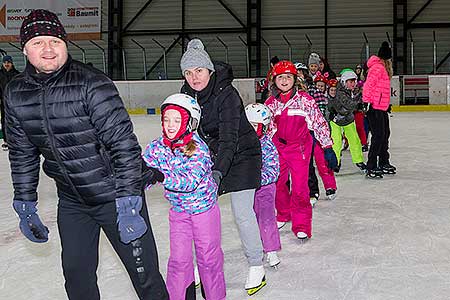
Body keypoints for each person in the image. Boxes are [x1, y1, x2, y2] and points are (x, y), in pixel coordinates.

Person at [5, 9, 168, 300]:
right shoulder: (16, 92)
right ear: (24, 49)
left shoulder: (91, 83)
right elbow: (22, 152)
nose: (48, 49)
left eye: (54, 41)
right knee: (77, 280)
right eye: (38, 42)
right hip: (72, 202)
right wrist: (25, 201)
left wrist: (129, 200)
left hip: (117, 197)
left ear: (65, 44)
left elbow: (123, 146)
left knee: (146, 280)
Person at [179, 39, 265, 296]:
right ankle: (200, 264)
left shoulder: (227, 93)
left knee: (241, 212)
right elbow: (186, 134)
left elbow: (230, 137)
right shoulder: (186, 94)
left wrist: (218, 171)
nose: (194, 77)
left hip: (243, 155)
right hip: (213, 158)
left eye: (199, 71)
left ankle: (256, 264)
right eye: (188, 72)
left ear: (210, 71)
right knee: (199, 214)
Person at [142, 93, 226, 300]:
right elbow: (140, 171)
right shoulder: (156, 147)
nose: (170, 125)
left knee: (208, 258)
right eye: (167, 119)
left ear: (190, 123)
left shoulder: (198, 149)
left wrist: (159, 176)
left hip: (204, 212)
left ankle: (215, 296)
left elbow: (189, 182)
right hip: (179, 213)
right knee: (179, 261)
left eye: (177, 120)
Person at [264, 60, 337, 240]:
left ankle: (302, 224)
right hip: (278, 147)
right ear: (274, 80)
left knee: (299, 187)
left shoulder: (305, 100)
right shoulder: (271, 103)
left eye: (288, 77)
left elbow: (319, 123)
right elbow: (266, 128)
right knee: (277, 183)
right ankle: (283, 213)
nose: (284, 80)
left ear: (294, 79)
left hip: (300, 148)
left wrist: (327, 146)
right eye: (280, 77)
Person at [245, 103, 281, 268]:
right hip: (246, 190)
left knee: (266, 218)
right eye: (247, 125)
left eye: (254, 126)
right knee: (249, 219)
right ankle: (255, 245)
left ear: (264, 127)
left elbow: (273, 170)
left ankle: (271, 249)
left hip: (264, 189)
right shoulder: (241, 145)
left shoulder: (267, 145)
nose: (249, 130)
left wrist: (256, 178)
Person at [363, 41, 396, 178]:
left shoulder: (383, 68)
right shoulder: (377, 68)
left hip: (381, 107)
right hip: (374, 107)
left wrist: (386, 104)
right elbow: (368, 86)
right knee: (378, 136)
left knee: (385, 134)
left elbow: (381, 90)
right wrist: (366, 102)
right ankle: (371, 165)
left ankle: (383, 161)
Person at [328, 70, 367, 173]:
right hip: (336, 119)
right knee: (336, 142)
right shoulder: (340, 92)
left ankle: (359, 160)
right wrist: (357, 105)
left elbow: (358, 101)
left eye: (354, 81)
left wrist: (362, 102)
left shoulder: (354, 92)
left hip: (348, 119)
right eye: (350, 82)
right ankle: (335, 162)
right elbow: (347, 103)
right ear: (344, 82)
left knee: (354, 140)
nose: (353, 84)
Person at [308, 71, 338, 205]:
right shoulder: (308, 97)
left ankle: (330, 186)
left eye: (322, 86)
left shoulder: (325, 99)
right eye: (318, 85)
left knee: (323, 163)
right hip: (307, 135)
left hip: (321, 135)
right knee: (307, 166)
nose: (320, 88)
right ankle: (311, 190)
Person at [0, 55, 20, 150]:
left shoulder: (17, 75)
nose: (6, 64)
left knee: (15, 120)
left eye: (8, 62)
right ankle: (6, 141)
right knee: (5, 120)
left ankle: (16, 139)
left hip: (15, 102)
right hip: (3, 102)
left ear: (12, 63)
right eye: (5, 62)